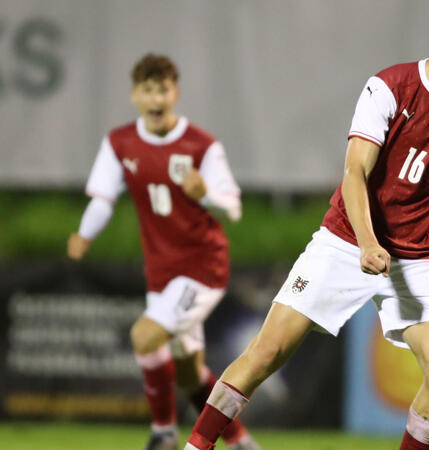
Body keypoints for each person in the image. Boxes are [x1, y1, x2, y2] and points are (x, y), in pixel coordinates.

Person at [185, 3, 429, 449]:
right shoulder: (390, 86)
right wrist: (368, 244)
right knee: (267, 352)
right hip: (344, 241)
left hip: (410, 259)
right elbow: (355, 171)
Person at [67, 53, 260, 450]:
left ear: (176, 93)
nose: (157, 98)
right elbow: (103, 198)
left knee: (144, 335)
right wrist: (84, 234)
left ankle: (163, 432)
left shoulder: (200, 145)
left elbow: (233, 206)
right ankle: (242, 443)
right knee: (190, 376)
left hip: (202, 269)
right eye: (148, 90)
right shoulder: (120, 143)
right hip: (162, 274)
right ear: (135, 95)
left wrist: (205, 194)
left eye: (164, 89)